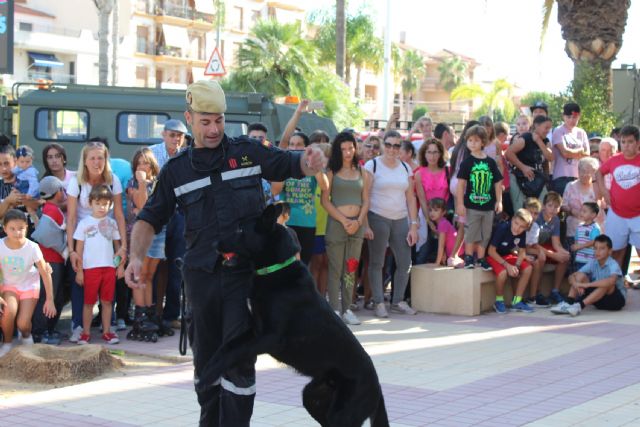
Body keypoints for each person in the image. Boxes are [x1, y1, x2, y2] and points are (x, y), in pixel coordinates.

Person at [124, 80, 324, 426]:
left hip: (245, 279)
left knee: (240, 361)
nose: (214, 129)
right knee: (208, 363)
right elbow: (149, 219)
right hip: (203, 280)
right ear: (189, 118)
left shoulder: (247, 151)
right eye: (205, 121)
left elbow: (288, 165)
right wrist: (137, 256)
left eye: (218, 120)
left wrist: (310, 162)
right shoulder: (176, 170)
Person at [66, 141, 127, 343]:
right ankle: (78, 326)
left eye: (100, 157)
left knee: (109, 288)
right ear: (85, 160)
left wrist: (124, 248)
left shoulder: (113, 180)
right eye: (92, 157)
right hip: (83, 234)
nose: (96, 161)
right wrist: (72, 249)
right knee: (79, 284)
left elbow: (119, 214)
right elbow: (72, 217)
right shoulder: (77, 181)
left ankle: (106, 326)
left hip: (107, 232)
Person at [364, 130, 419, 318]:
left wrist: (413, 224)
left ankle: (397, 301)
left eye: (396, 145)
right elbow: (364, 196)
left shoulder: (405, 168)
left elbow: (411, 198)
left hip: (400, 218)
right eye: (388, 144)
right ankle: (379, 302)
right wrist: (365, 223)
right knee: (377, 262)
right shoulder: (372, 166)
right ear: (382, 145)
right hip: (377, 216)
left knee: (405, 262)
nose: (392, 149)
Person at [322, 132, 371, 326]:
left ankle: (348, 308)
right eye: (343, 149)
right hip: (337, 224)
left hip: (356, 226)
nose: (347, 152)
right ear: (337, 150)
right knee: (335, 268)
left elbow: (366, 200)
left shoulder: (362, 172)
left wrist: (358, 221)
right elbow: (325, 201)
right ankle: (334, 309)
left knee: (351, 268)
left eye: (350, 148)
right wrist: (344, 220)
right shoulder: (331, 171)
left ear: (355, 148)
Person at [126, 148, 170, 339]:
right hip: (142, 234)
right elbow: (143, 206)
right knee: (139, 275)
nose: (143, 166)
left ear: (153, 166)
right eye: (140, 163)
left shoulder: (160, 183)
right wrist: (143, 183)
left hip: (159, 232)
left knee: (149, 276)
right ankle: (140, 318)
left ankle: (151, 317)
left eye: (146, 163)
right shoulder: (133, 183)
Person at [0, 209, 56, 357]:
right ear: (4, 228)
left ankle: (26, 336)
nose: (17, 232)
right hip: (8, 285)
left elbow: (45, 272)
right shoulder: (0, 246)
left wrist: (50, 299)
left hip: (28, 285)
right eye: (12, 228)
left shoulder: (32, 247)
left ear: (27, 228)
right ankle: (6, 343)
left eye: (21, 228)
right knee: (7, 313)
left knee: (23, 323)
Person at [73, 185, 123, 345]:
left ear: (110, 205)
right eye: (98, 203)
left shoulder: (112, 223)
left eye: (105, 204)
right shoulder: (84, 224)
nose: (102, 207)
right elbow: (78, 250)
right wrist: (79, 271)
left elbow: (118, 247)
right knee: (88, 302)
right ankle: (85, 333)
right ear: (90, 203)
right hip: (90, 269)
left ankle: (107, 332)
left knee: (107, 302)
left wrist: (119, 265)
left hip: (108, 268)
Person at [150, 118, 188, 330]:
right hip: (158, 214)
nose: (176, 139)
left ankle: (171, 315)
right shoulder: (151, 153)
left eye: (179, 136)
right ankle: (151, 313)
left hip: (180, 214)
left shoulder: (187, 155)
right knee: (153, 265)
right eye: (172, 135)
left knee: (177, 265)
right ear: (164, 134)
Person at [272, 132, 329, 265]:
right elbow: (275, 190)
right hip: (285, 222)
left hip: (306, 223)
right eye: (291, 144)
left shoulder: (311, 167)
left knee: (303, 265)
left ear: (306, 148)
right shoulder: (285, 164)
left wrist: (314, 165)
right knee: (284, 265)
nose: (294, 147)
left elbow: (325, 186)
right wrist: (283, 167)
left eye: (299, 145)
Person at [455, 125, 503, 270]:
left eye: (476, 140)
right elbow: (461, 185)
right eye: (469, 140)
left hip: (488, 206)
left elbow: (498, 181)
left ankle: (481, 258)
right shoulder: (467, 162)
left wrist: (499, 201)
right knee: (472, 231)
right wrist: (460, 204)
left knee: (486, 233)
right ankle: (469, 257)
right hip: (472, 205)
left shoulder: (490, 162)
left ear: (483, 142)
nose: (472, 143)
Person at [595, 125, 640, 270]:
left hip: (638, 215)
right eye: (623, 141)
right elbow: (599, 173)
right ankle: (616, 287)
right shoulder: (614, 160)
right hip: (617, 213)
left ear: (638, 143)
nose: (626, 145)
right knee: (615, 252)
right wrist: (604, 191)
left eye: (630, 142)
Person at [30, 176, 67, 345]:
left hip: (49, 261)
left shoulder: (47, 209)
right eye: (62, 190)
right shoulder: (53, 210)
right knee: (48, 297)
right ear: (57, 192)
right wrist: (63, 249)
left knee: (52, 297)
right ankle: (40, 333)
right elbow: (43, 235)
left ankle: (47, 330)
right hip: (51, 261)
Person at [551, 235, 625, 316]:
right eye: (595, 248)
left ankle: (579, 306)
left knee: (607, 284)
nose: (597, 251)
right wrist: (576, 284)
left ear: (610, 251)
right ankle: (569, 303)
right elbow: (572, 276)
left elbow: (612, 281)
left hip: (615, 301)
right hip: (598, 299)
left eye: (602, 249)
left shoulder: (613, 264)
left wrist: (586, 285)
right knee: (580, 275)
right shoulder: (593, 262)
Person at [487, 209, 534, 313]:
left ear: (526, 228)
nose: (517, 228)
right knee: (503, 273)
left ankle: (517, 301)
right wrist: (507, 265)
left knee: (528, 268)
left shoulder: (522, 233)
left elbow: (522, 252)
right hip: (493, 256)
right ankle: (499, 301)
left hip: (507, 256)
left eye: (522, 226)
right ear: (512, 219)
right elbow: (491, 251)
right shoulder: (503, 228)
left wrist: (517, 266)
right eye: (516, 223)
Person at [505, 115, 554, 212]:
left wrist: (539, 141)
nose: (548, 130)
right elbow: (508, 153)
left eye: (549, 128)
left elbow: (551, 157)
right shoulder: (525, 138)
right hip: (520, 179)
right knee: (521, 211)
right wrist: (523, 167)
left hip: (538, 180)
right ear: (536, 126)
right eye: (546, 128)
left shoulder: (546, 141)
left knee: (541, 211)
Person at [532, 192, 571, 305]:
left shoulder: (556, 220)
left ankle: (555, 290)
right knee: (541, 258)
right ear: (543, 206)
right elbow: (533, 243)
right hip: (533, 246)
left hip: (544, 246)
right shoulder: (537, 217)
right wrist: (554, 255)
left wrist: (564, 253)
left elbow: (556, 243)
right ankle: (537, 293)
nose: (553, 209)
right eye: (550, 205)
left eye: (556, 207)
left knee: (564, 258)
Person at [561, 157, 604, 249]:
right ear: (578, 170)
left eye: (589, 172)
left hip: (594, 231)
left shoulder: (598, 187)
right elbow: (563, 205)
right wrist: (572, 211)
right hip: (574, 230)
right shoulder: (570, 186)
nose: (585, 174)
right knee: (574, 258)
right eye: (583, 171)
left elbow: (601, 205)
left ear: (594, 173)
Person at [551, 102, 590, 196]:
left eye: (574, 117)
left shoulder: (581, 132)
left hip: (578, 177)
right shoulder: (558, 131)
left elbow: (587, 154)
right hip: (561, 177)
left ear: (579, 116)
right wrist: (579, 151)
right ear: (563, 116)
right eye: (568, 117)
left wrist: (572, 152)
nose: (571, 120)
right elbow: (565, 153)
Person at [419, 198, 461, 266]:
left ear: (443, 212)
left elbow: (441, 246)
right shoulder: (442, 222)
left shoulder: (442, 224)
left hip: (458, 254)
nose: (432, 213)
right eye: (430, 210)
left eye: (436, 210)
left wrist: (437, 263)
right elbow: (443, 244)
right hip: (453, 254)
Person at [571, 202, 601, 272]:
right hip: (579, 259)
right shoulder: (579, 227)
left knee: (586, 278)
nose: (581, 213)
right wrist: (575, 247)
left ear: (593, 215)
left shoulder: (594, 228)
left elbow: (594, 241)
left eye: (584, 211)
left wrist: (580, 246)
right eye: (581, 210)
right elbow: (576, 240)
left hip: (590, 261)